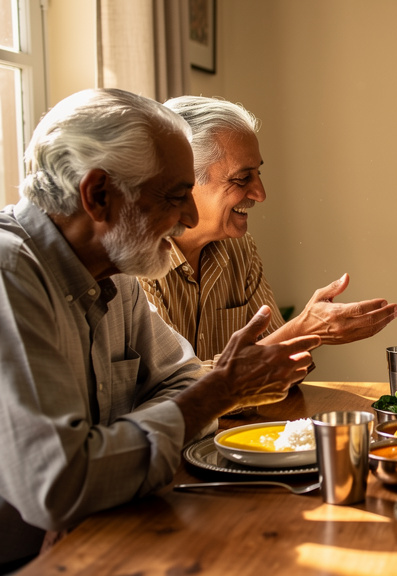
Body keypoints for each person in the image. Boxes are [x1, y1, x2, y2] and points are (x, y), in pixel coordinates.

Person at [0, 88, 319, 571]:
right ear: (98, 195)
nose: (188, 217)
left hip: (104, 530)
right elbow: (59, 488)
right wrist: (217, 393)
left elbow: (186, 378)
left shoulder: (114, 268)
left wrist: (106, 464)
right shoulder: (10, 274)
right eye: (174, 197)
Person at [141, 96, 397, 386]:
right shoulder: (138, 266)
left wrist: (309, 331)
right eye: (242, 178)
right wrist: (304, 330)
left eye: (258, 173)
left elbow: (284, 373)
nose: (260, 193)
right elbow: (177, 392)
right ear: (185, 180)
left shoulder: (240, 249)